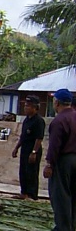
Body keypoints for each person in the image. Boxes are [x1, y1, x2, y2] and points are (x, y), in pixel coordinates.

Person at [44, 89, 76, 230]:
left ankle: (63, 227)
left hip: (64, 162)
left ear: (56, 103)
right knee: (73, 197)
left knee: (61, 196)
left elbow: (55, 146)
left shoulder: (59, 121)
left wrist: (49, 164)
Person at [11, 95, 45, 200]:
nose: (26, 108)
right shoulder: (26, 120)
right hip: (25, 149)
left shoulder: (38, 121)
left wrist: (34, 152)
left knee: (32, 172)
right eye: (25, 105)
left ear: (35, 108)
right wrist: (16, 148)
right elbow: (23, 136)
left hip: (33, 149)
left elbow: (39, 138)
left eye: (28, 106)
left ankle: (32, 194)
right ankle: (24, 192)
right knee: (23, 171)